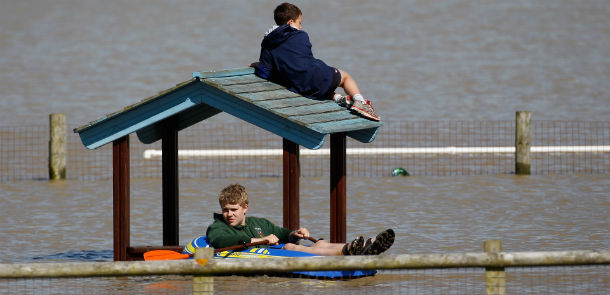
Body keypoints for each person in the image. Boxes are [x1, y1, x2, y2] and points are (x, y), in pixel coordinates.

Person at [251, 2, 380, 122]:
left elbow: (265, 73)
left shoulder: (267, 43)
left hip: (299, 87)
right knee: (345, 77)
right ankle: (361, 103)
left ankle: (338, 98)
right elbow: (306, 57)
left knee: (315, 83)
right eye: (299, 22)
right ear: (291, 23)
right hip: (313, 76)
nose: (301, 26)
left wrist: (257, 65)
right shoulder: (301, 35)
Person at [206, 184, 394, 256]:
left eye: (233, 210)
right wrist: (254, 241)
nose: (229, 214)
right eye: (225, 210)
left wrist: (295, 233)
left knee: (319, 243)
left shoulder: (258, 223)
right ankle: (348, 251)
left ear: (245, 208)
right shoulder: (218, 227)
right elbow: (220, 241)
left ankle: (367, 245)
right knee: (289, 247)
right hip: (264, 255)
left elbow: (283, 233)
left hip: (274, 252)